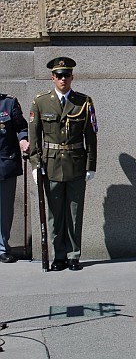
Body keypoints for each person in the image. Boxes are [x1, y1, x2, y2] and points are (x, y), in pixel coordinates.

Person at [28, 57, 98, 271]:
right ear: (52, 78)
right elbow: (34, 136)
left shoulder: (84, 101)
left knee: (74, 214)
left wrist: (91, 165)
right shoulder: (40, 102)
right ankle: (59, 255)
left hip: (76, 164)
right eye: (58, 75)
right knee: (55, 213)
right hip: (50, 166)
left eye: (66, 75)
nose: (63, 79)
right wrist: (34, 162)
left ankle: (74, 255)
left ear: (72, 77)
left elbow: (91, 136)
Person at [0, 94, 29, 263]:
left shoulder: (8, 103)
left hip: (4, 163)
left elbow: (21, 127)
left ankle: (2, 247)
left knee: (4, 209)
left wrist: (23, 140)